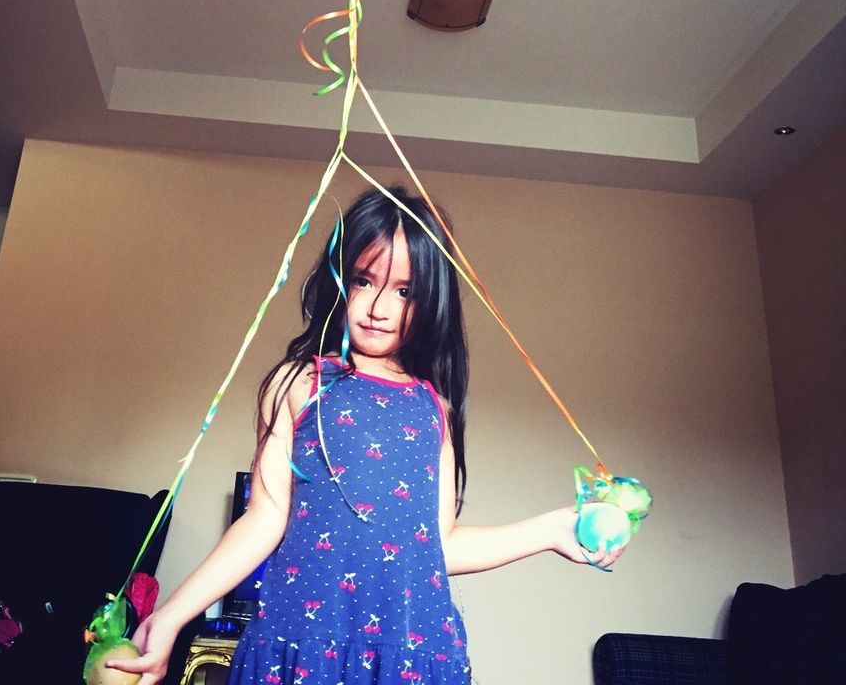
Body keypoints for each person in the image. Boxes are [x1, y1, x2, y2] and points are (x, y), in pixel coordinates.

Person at [108, 186, 625, 684]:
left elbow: (436, 546)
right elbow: (265, 518)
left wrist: (552, 532)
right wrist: (170, 617)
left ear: (431, 302)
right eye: (363, 280)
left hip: (410, 651)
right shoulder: (298, 383)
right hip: (304, 641)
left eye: (405, 291)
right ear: (338, 280)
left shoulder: (434, 407)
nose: (379, 306)